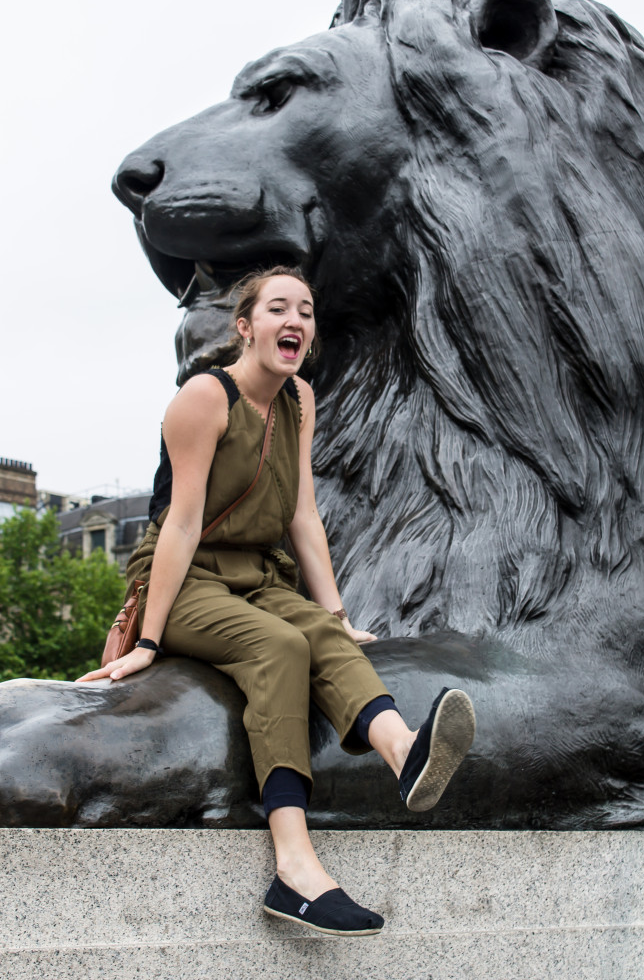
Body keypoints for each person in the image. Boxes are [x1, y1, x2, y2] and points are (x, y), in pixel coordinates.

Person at [77, 266, 475, 937]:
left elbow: (301, 515)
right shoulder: (204, 398)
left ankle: (404, 753)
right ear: (246, 326)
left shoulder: (299, 400)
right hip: (185, 577)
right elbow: (179, 521)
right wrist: (148, 640)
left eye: (307, 311)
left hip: (259, 572)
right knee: (279, 645)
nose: (295, 320)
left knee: (320, 634)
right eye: (278, 308)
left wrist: (338, 614)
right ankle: (294, 868)